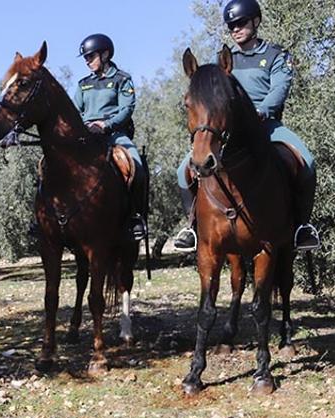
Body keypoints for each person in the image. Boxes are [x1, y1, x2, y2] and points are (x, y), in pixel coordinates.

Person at [172, 0, 321, 252]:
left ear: (255, 21)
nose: (236, 29)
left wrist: (263, 110)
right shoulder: (225, 60)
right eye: (231, 26)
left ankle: (301, 227)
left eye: (241, 23)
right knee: (181, 171)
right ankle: (192, 227)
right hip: (231, 132)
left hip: (268, 126)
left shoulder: (275, 55)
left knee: (307, 161)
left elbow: (279, 88)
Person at [72, 33, 148, 241]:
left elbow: (127, 109)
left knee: (137, 168)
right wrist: (83, 127)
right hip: (87, 137)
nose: (88, 61)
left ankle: (135, 217)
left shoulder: (122, 79)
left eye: (91, 56)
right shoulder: (83, 84)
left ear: (105, 54)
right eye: (86, 58)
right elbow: (75, 111)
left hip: (115, 135)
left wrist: (105, 125)